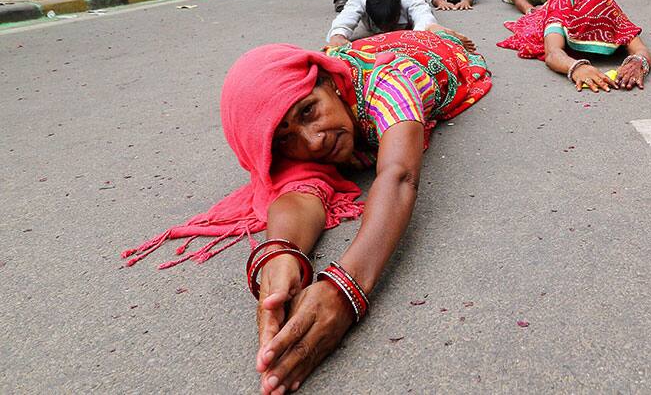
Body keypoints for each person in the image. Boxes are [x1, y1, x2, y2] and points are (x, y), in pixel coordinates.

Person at [123, 31, 491, 395]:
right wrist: (280, 255)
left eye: (308, 111)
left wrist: (345, 291)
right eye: (285, 139)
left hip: (412, 52)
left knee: (441, 42)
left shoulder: (387, 83)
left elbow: (399, 175)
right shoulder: (295, 124)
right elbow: (300, 190)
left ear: (330, 81)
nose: (313, 141)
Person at [497, 0, 651, 93]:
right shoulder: (560, 11)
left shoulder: (612, 13)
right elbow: (553, 52)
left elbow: (640, 49)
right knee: (534, 26)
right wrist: (576, 67)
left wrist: (638, 62)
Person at [326, 0, 437, 46]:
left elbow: (424, 18)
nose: (386, 33)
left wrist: (420, 37)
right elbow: (345, 18)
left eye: (390, 27)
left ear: (399, 13)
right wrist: (338, 35)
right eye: (382, 28)